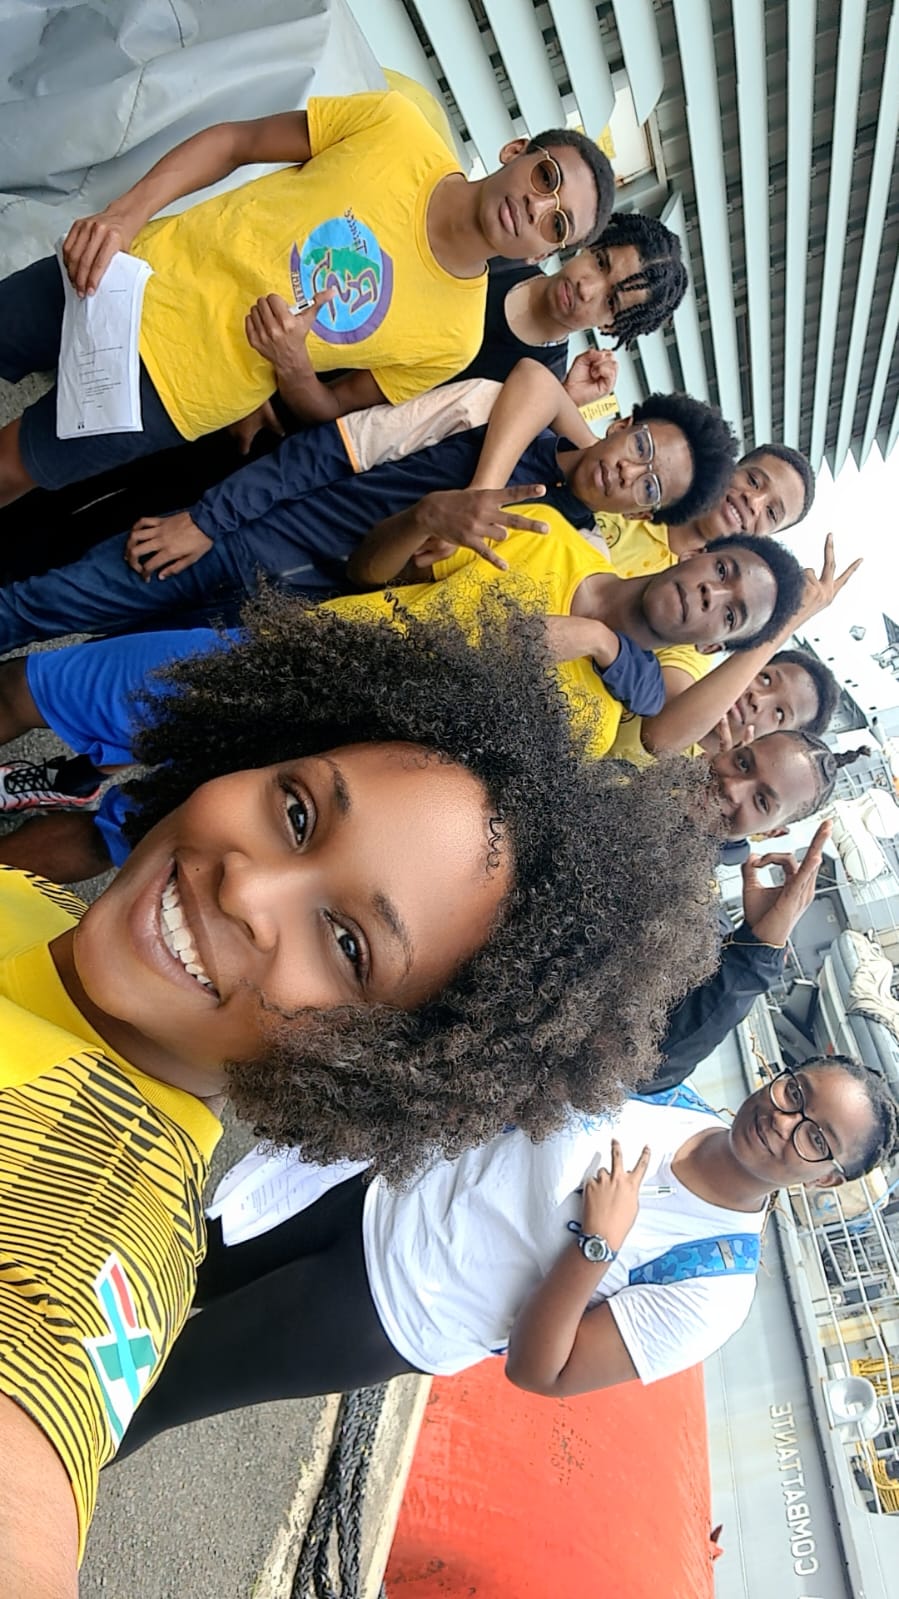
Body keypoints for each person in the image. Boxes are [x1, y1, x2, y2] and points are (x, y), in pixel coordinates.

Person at [0, 591, 723, 1590]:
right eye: (296, 813)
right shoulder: (37, 905)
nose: (247, 889)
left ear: (379, 1058)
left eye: (347, 946)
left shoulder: (80, 1208)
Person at [107, 1054, 898, 1461]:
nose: (782, 1121)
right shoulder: (673, 1099)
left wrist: (594, 1246)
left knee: (148, 1389)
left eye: (814, 1138)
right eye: (795, 1093)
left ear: (824, 1179)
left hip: (386, 1308)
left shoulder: (713, 1283)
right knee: (130, 1268)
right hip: (362, 1193)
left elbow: (540, 1371)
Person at [0, 96, 613, 506]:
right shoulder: (397, 127)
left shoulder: (455, 337)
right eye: (546, 177)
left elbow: (331, 408)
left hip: (180, 394)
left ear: (545, 252)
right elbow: (236, 141)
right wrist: (124, 216)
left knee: (12, 468)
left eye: (557, 224)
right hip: (129, 275)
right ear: (516, 150)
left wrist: (292, 365)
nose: (537, 206)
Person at [0, 377, 739, 650]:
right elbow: (328, 452)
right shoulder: (489, 408)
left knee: (85, 678)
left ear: (649, 515)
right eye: (643, 447)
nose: (629, 471)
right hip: (238, 539)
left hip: (275, 623)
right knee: (47, 603)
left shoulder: (562, 551)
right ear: (621, 423)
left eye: (651, 487)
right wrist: (207, 520)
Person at [452, 209, 688, 391]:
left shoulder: (542, 383)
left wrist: (559, 403)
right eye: (600, 263)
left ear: (610, 326)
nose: (586, 288)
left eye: (610, 301)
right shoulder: (503, 252)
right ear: (590, 245)